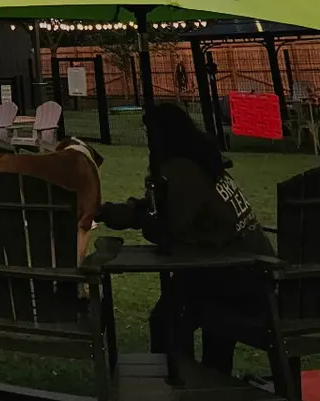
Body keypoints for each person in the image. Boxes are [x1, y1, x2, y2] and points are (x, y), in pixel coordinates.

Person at [95, 103, 273, 376]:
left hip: (233, 272)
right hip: (248, 269)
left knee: (168, 319)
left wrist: (136, 219)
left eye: (150, 135)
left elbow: (169, 227)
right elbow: (161, 208)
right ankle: (209, 379)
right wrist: (117, 212)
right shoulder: (201, 162)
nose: (148, 143)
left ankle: (178, 380)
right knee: (191, 319)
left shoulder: (183, 170)